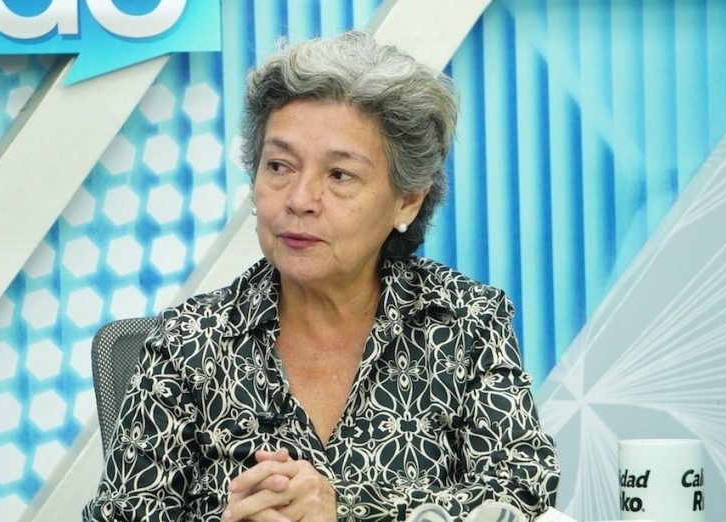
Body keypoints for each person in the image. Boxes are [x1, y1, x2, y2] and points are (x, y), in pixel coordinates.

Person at [84, 31, 559, 522]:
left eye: (339, 175)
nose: (299, 199)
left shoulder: (463, 320)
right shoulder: (189, 341)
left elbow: (523, 494)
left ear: (407, 201)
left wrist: (343, 511)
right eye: (279, 166)